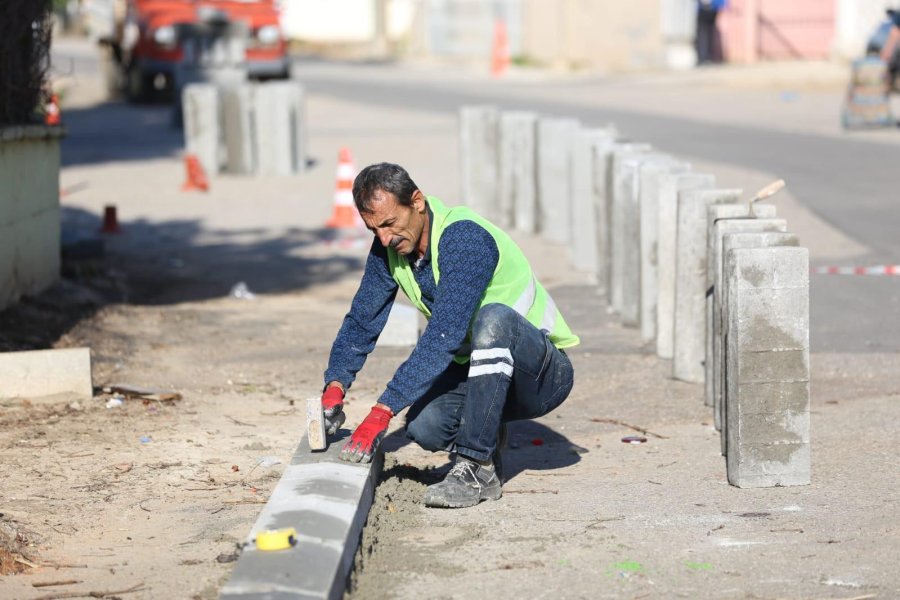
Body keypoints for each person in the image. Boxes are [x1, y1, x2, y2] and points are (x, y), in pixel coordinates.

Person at [318, 163, 578, 509]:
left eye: (389, 223)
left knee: (493, 318)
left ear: (417, 201)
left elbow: (443, 336)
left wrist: (381, 413)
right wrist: (335, 385)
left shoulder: (463, 238)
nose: (383, 239)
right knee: (426, 427)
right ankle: (486, 435)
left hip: (541, 375)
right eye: (373, 229)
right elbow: (362, 321)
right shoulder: (390, 248)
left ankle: (476, 468)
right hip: (483, 370)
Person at [696, 0, 727, 65]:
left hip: (709, 9)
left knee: (706, 33)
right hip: (709, 8)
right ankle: (705, 57)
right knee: (707, 33)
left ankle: (705, 57)